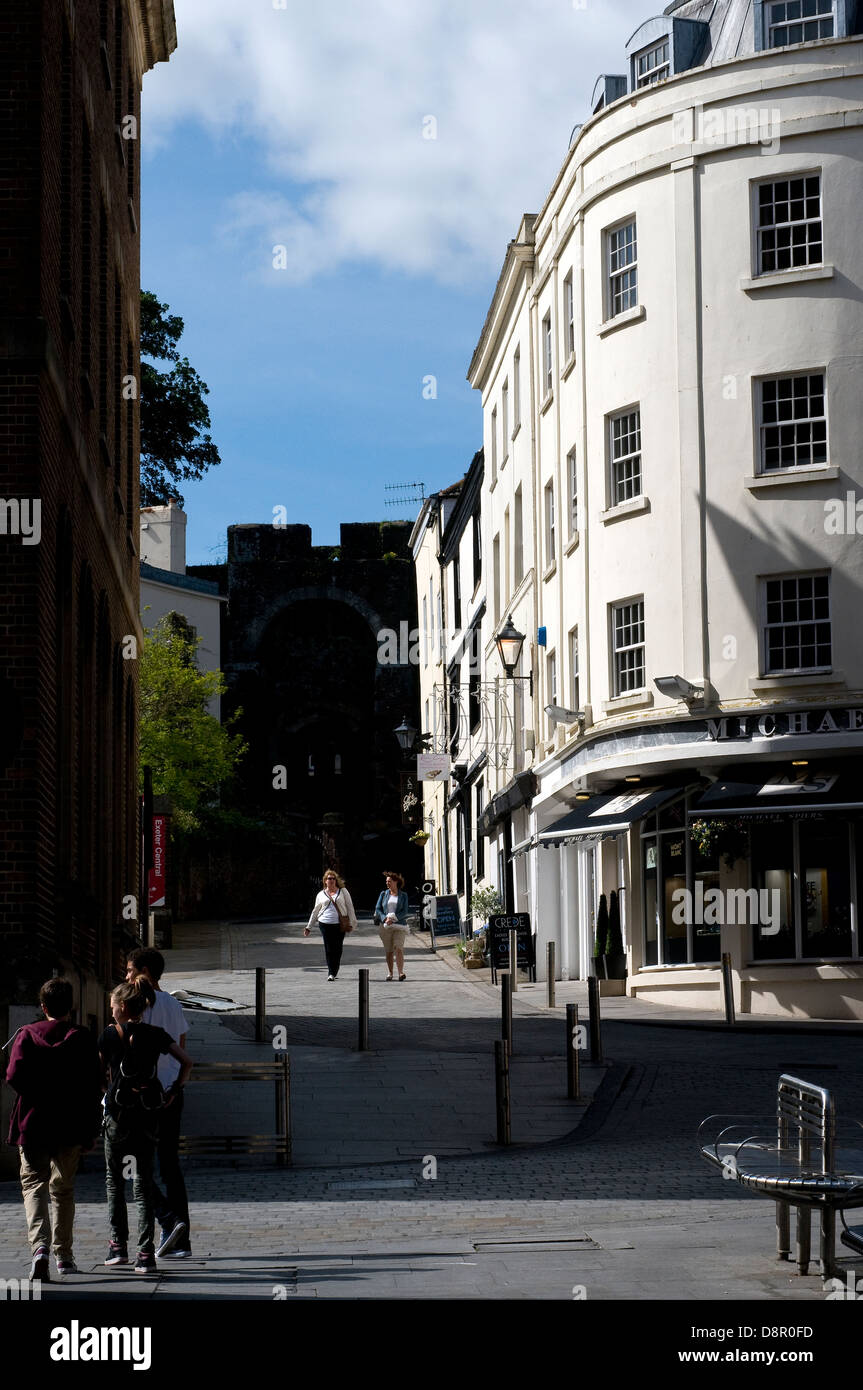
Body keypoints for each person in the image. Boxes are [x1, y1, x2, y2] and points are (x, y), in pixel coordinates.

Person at [5, 977, 102, 1281]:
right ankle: (64, 1256)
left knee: (33, 1185)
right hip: (70, 1125)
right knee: (63, 1190)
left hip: (32, 1123)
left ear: (43, 1006)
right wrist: (90, 1130)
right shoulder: (83, 1038)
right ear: (71, 1007)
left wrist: (37, 1094)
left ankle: (40, 1248)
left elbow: (13, 1076)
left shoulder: (26, 1035)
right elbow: (92, 1087)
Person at [99, 977, 192, 1275]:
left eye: (112, 1005)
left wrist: (107, 1092)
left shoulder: (108, 1035)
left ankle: (117, 1247)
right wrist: (175, 1089)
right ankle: (145, 1253)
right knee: (143, 1183)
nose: (110, 1009)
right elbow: (186, 1061)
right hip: (148, 1113)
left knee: (115, 1180)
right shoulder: (156, 1034)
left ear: (123, 1006)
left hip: (117, 1114)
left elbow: (102, 1072)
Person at [126, 947, 192, 1260]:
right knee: (170, 1166)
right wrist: (176, 1088)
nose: (126, 976)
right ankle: (181, 1240)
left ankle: (166, 1221)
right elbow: (181, 1049)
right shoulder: (173, 1004)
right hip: (171, 1094)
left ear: (145, 971)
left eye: (129, 970)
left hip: (143, 1097)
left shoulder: (133, 1006)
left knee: (135, 1165)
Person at [304, 870, 357, 979]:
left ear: (336, 880)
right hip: (325, 923)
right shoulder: (320, 894)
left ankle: (335, 969)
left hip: (339, 924)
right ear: (325, 881)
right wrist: (309, 927)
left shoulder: (343, 891)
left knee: (338, 948)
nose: (331, 880)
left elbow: (350, 908)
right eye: (329, 879)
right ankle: (331, 972)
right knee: (329, 948)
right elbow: (315, 911)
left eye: (333, 879)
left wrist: (352, 924)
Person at [373, 871, 409, 981]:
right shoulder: (383, 894)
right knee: (389, 951)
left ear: (396, 881)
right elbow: (378, 909)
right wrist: (385, 918)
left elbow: (405, 911)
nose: (387, 883)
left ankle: (401, 972)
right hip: (385, 926)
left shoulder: (403, 895)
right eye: (386, 881)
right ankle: (390, 973)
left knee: (398, 947)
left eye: (389, 881)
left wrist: (394, 918)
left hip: (399, 926)